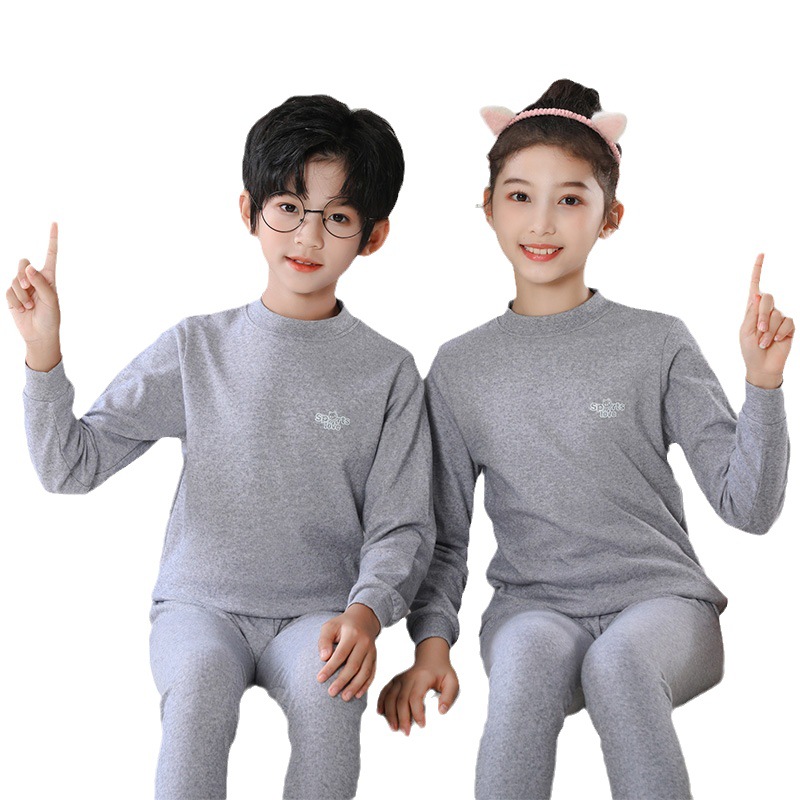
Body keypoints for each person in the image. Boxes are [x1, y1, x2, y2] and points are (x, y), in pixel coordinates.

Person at [8, 94, 434, 800]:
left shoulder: (388, 372)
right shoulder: (197, 347)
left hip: (321, 614)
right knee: (201, 687)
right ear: (249, 212)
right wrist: (43, 351)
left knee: (331, 705)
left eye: (337, 217)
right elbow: (67, 466)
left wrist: (367, 611)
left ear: (374, 235)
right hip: (199, 606)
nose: (308, 236)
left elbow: (403, 523)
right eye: (289, 207)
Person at [377, 79, 792, 799]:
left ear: (611, 217)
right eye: (520, 196)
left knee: (618, 666)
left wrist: (762, 385)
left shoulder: (657, 343)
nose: (542, 222)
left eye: (570, 199)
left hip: (663, 606)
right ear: (488, 206)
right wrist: (431, 644)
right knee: (525, 669)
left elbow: (748, 507)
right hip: (532, 609)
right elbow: (445, 535)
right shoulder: (460, 367)